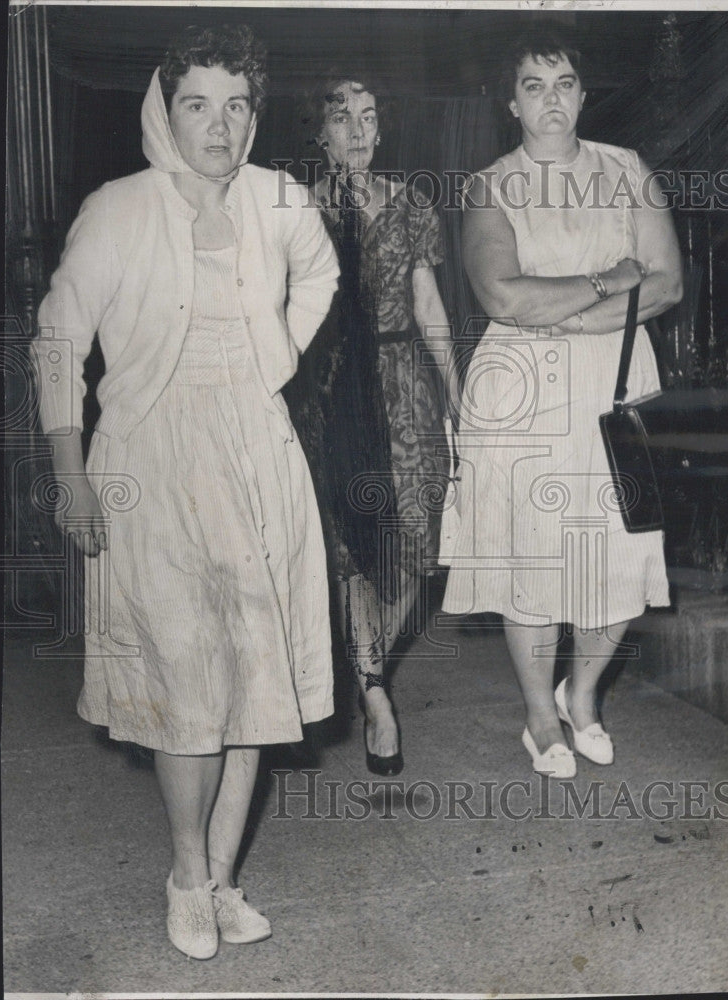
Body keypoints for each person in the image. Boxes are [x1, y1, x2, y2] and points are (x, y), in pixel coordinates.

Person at [31, 25, 339, 959]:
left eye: (237, 104)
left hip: (256, 452)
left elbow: (322, 274)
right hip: (149, 465)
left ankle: (219, 878)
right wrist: (69, 473)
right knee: (183, 679)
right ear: (166, 111)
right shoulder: (117, 208)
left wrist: (279, 353)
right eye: (198, 104)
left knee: (255, 677)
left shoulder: (278, 198)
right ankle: (186, 874)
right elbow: (56, 340)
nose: (220, 125)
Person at [442, 33, 683, 778]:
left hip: (614, 383)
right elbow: (501, 295)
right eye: (534, 85)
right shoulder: (489, 186)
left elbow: (668, 284)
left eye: (565, 83)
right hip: (520, 394)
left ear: (582, 96)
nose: (552, 98)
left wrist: (571, 312)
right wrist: (612, 281)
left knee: (620, 551)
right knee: (533, 556)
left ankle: (581, 695)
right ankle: (540, 719)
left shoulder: (625, 171)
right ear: (512, 102)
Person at [285, 76, 452, 775]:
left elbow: (428, 306)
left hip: (404, 387)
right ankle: (376, 691)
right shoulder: (296, 210)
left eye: (368, 116)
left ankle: (365, 661)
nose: (357, 130)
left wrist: (460, 400)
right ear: (319, 134)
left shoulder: (411, 207)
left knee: (417, 543)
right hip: (331, 396)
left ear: (381, 130)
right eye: (340, 117)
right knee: (351, 548)